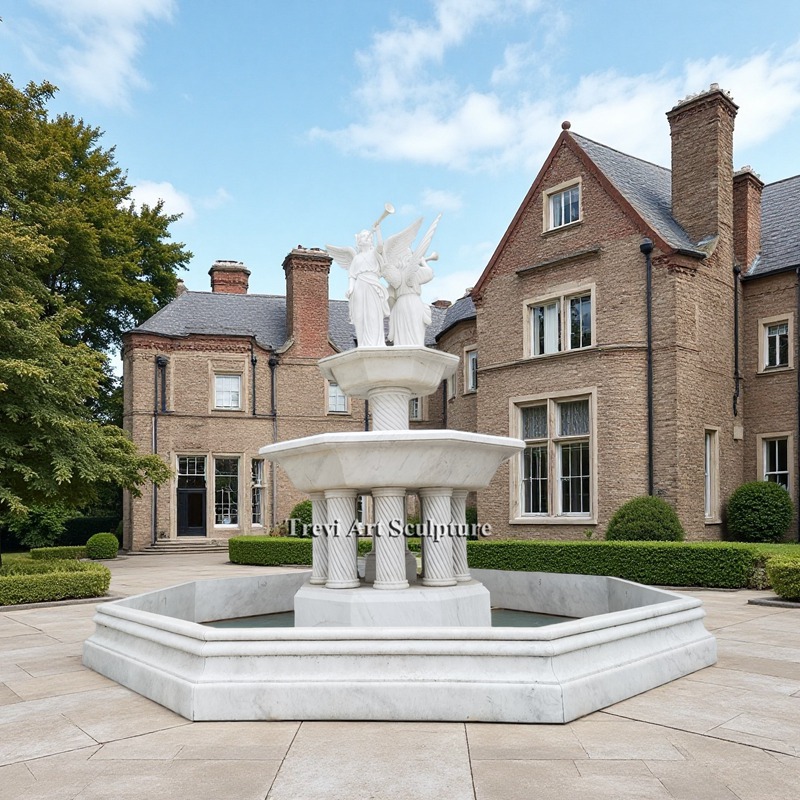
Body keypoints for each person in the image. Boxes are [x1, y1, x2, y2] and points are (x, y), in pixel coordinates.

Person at [326, 225, 390, 347]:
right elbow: (352, 275)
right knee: (360, 315)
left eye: (367, 236)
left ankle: (376, 343)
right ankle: (362, 343)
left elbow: (381, 247)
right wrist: (350, 287)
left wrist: (378, 231)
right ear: (359, 241)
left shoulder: (374, 253)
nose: (365, 238)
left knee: (373, 314)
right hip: (359, 286)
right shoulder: (356, 258)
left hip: (372, 285)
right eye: (362, 236)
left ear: (371, 240)